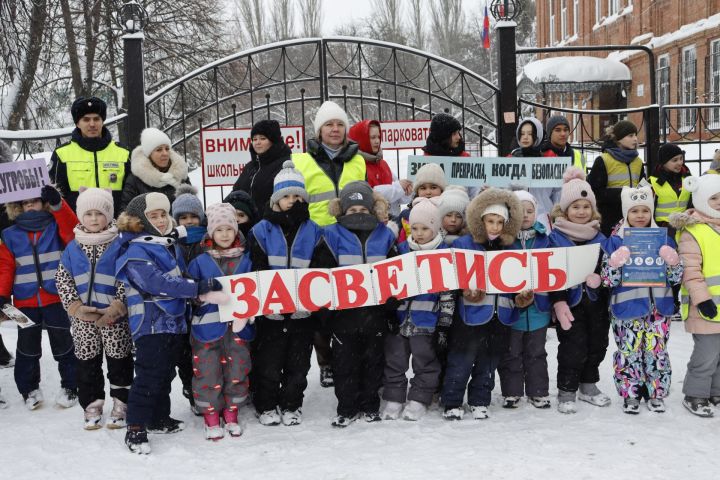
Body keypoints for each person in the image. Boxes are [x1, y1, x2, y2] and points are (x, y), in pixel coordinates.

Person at [116, 192, 224, 454]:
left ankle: (158, 417)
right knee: (149, 375)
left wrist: (196, 294)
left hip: (174, 321)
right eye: (154, 215)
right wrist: (196, 288)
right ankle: (136, 427)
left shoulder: (166, 244)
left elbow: (179, 275)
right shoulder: (135, 250)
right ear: (140, 220)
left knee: (165, 373)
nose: (162, 220)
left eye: (164, 214)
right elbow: (156, 283)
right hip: (150, 324)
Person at [292, 100, 366, 387]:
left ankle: (349, 356)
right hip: (315, 241)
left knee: (350, 301)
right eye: (329, 125)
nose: (335, 129)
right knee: (320, 304)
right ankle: (326, 363)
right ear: (319, 130)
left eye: (339, 125)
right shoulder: (301, 160)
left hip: (349, 239)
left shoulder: (357, 160)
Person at [249, 161, 323, 426]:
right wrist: (265, 303)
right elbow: (256, 269)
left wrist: (311, 302)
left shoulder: (314, 231)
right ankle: (266, 404)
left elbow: (319, 269)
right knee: (268, 363)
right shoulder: (261, 230)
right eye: (286, 196)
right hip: (271, 314)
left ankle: (292, 403)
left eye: (297, 196)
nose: (292, 201)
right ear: (275, 200)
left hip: (302, 313)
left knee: (298, 364)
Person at [441, 188, 523, 420]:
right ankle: (452, 401)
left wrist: (521, 297)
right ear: (481, 220)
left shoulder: (513, 247)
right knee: (462, 359)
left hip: (501, 315)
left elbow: (518, 281)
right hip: (470, 314)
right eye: (490, 221)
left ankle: (480, 400)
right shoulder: (464, 244)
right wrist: (465, 290)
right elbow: (451, 277)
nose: (495, 227)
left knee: (489, 361)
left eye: (500, 222)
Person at [55, 187, 133, 429]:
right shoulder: (72, 248)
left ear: (108, 216)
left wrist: (119, 305)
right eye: (88, 214)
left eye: (99, 213)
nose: (94, 219)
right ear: (80, 216)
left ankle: (121, 403)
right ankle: (92, 404)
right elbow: (62, 279)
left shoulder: (119, 245)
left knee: (119, 361)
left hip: (113, 318)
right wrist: (75, 307)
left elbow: (128, 276)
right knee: (87, 363)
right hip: (83, 320)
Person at [601, 185, 683, 414]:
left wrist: (674, 262)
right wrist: (615, 263)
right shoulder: (616, 240)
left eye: (645, 210)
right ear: (626, 212)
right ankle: (631, 393)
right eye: (634, 210)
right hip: (626, 310)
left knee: (656, 352)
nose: (640, 215)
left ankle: (656, 392)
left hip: (659, 309)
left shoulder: (664, 238)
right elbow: (606, 279)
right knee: (629, 353)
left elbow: (676, 277)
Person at [323, 181, 397, 427]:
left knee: (373, 363)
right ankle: (346, 407)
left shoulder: (384, 234)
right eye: (352, 211)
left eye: (363, 210)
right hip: (343, 316)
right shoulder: (331, 234)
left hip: (375, 314)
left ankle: (370, 405)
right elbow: (322, 273)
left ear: (372, 210)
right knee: (344, 365)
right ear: (342, 211)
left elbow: (394, 271)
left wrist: (392, 304)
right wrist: (327, 311)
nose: (358, 215)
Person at [0, 185, 79, 410]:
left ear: (43, 203)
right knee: (27, 348)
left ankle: (70, 386)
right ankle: (29, 389)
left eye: (35, 201)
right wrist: (2, 294)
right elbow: (5, 266)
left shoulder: (56, 226)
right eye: (25, 203)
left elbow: (73, 233)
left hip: (56, 298)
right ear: (18, 207)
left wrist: (58, 204)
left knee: (63, 344)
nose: (30, 205)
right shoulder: (9, 234)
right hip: (24, 303)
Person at [381, 197, 454, 422]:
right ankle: (394, 397)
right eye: (415, 228)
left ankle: (419, 398)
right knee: (395, 360)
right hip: (401, 319)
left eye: (425, 228)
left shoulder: (444, 253)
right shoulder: (400, 250)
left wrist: (444, 323)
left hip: (427, 321)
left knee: (426, 362)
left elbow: (448, 293)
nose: (420, 233)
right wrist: (389, 309)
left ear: (435, 228)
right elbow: (388, 283)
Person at [188, 203, 253, 440]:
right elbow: (190, 292)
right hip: (207, 330)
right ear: (211, 233)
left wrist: (250, 311)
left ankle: (232, 411)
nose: (225, 234)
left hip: (238, 328)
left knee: (238, 368)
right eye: (219, 230)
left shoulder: (246, 259)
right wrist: (203, 296)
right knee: (207, 371)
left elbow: (256, 291)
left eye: (229, 228)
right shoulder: (199, 261)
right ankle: (211, 414)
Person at [548, 167, 610, 414]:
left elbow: (610, 270)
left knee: (598, 344)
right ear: (564, 210)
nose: (581, 212)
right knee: (573, 347)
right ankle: (567, 389)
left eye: (586, 206)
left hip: (596, 304)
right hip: (570, 303)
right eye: (575, 207)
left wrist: (602, 280)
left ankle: (588, 385)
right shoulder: (556, 238)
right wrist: (558, 301)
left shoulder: (600, 237)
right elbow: (551, 275)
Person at [497, 190, 553, 410]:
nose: (526, 215)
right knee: (511, 352)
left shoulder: (545, 239)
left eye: (530, 211)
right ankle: (512, 391)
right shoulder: (504, 242)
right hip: (512, 311)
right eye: (520, 211)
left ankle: (538, 391)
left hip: (539, 310)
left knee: (537, 352)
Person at [671, 174, 720, 417]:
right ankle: (695, 394)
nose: (719, 202)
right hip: (705, 307)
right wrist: (702, 299)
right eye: (714, 198)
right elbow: (690, 270)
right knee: (707, 354)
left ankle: (716, 391)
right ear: (701, 199)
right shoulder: (694, 232)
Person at [49, 97, 130, 213]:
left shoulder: (123, 153)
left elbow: (132, 193)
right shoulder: (61, 154)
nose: (92, 124)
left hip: (116, 226)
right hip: (78, 227)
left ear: (102, 121)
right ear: (77, 123)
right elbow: (56, 197)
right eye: (86, 119)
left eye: (96, 119)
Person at [170, 184, 207, 415]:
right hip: (180, 310)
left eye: (193, 216)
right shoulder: (171, 243)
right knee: (184, 356)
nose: (189, 221)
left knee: (204, 353)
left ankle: (206, 391)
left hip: (204, 307)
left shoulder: (207, 240)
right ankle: (190, 389)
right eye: (183, 217)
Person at [587, 120, 645, 236]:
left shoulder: (638, 162)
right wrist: (622, 194)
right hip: (609, 218)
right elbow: (595, 191)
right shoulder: (603, 160)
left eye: (635, 135)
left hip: (634, 217)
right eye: (630, 135)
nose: (635, 139)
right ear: (618, 138)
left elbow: (642, 185)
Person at [347, 119, 412, 217]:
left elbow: (398, 196)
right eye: (372, 137)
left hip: (393, 222)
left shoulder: (383, 163)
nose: (377, 141)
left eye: (378, 137)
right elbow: (368, 193)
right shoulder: (356, 166)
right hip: (372, 223)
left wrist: (406, 191)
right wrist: (398, 187)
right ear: (362, 139)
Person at [120, 128, 191, 211]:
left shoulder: (180, 175)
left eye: (167, 149)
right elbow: (126, 213)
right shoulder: (135, 180)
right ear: (149, 154)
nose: (165, 153)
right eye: (159, 150)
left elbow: (193, 208)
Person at [232, 119, 292, 213]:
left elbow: (289, 199)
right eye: (254, 139)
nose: (257, 142)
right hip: (247, 224)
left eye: (263, 138)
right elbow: (235, 194)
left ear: (274, 141)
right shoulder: (250, 166)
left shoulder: (285, 164)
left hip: (273, 224)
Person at [396, 163, 447, 242]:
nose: (428, 192)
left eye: (433, 187)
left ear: (442, 189)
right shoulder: (406, 215)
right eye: (423, 188)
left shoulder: (448, 214)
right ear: (417, 191)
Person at [650, 143, 691, 239]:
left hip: (685, 229)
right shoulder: (652, 182)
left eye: (681, 158)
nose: (680, 163)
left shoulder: (688, 178)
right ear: (664, 162)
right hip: (662, 231)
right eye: (675, 160)